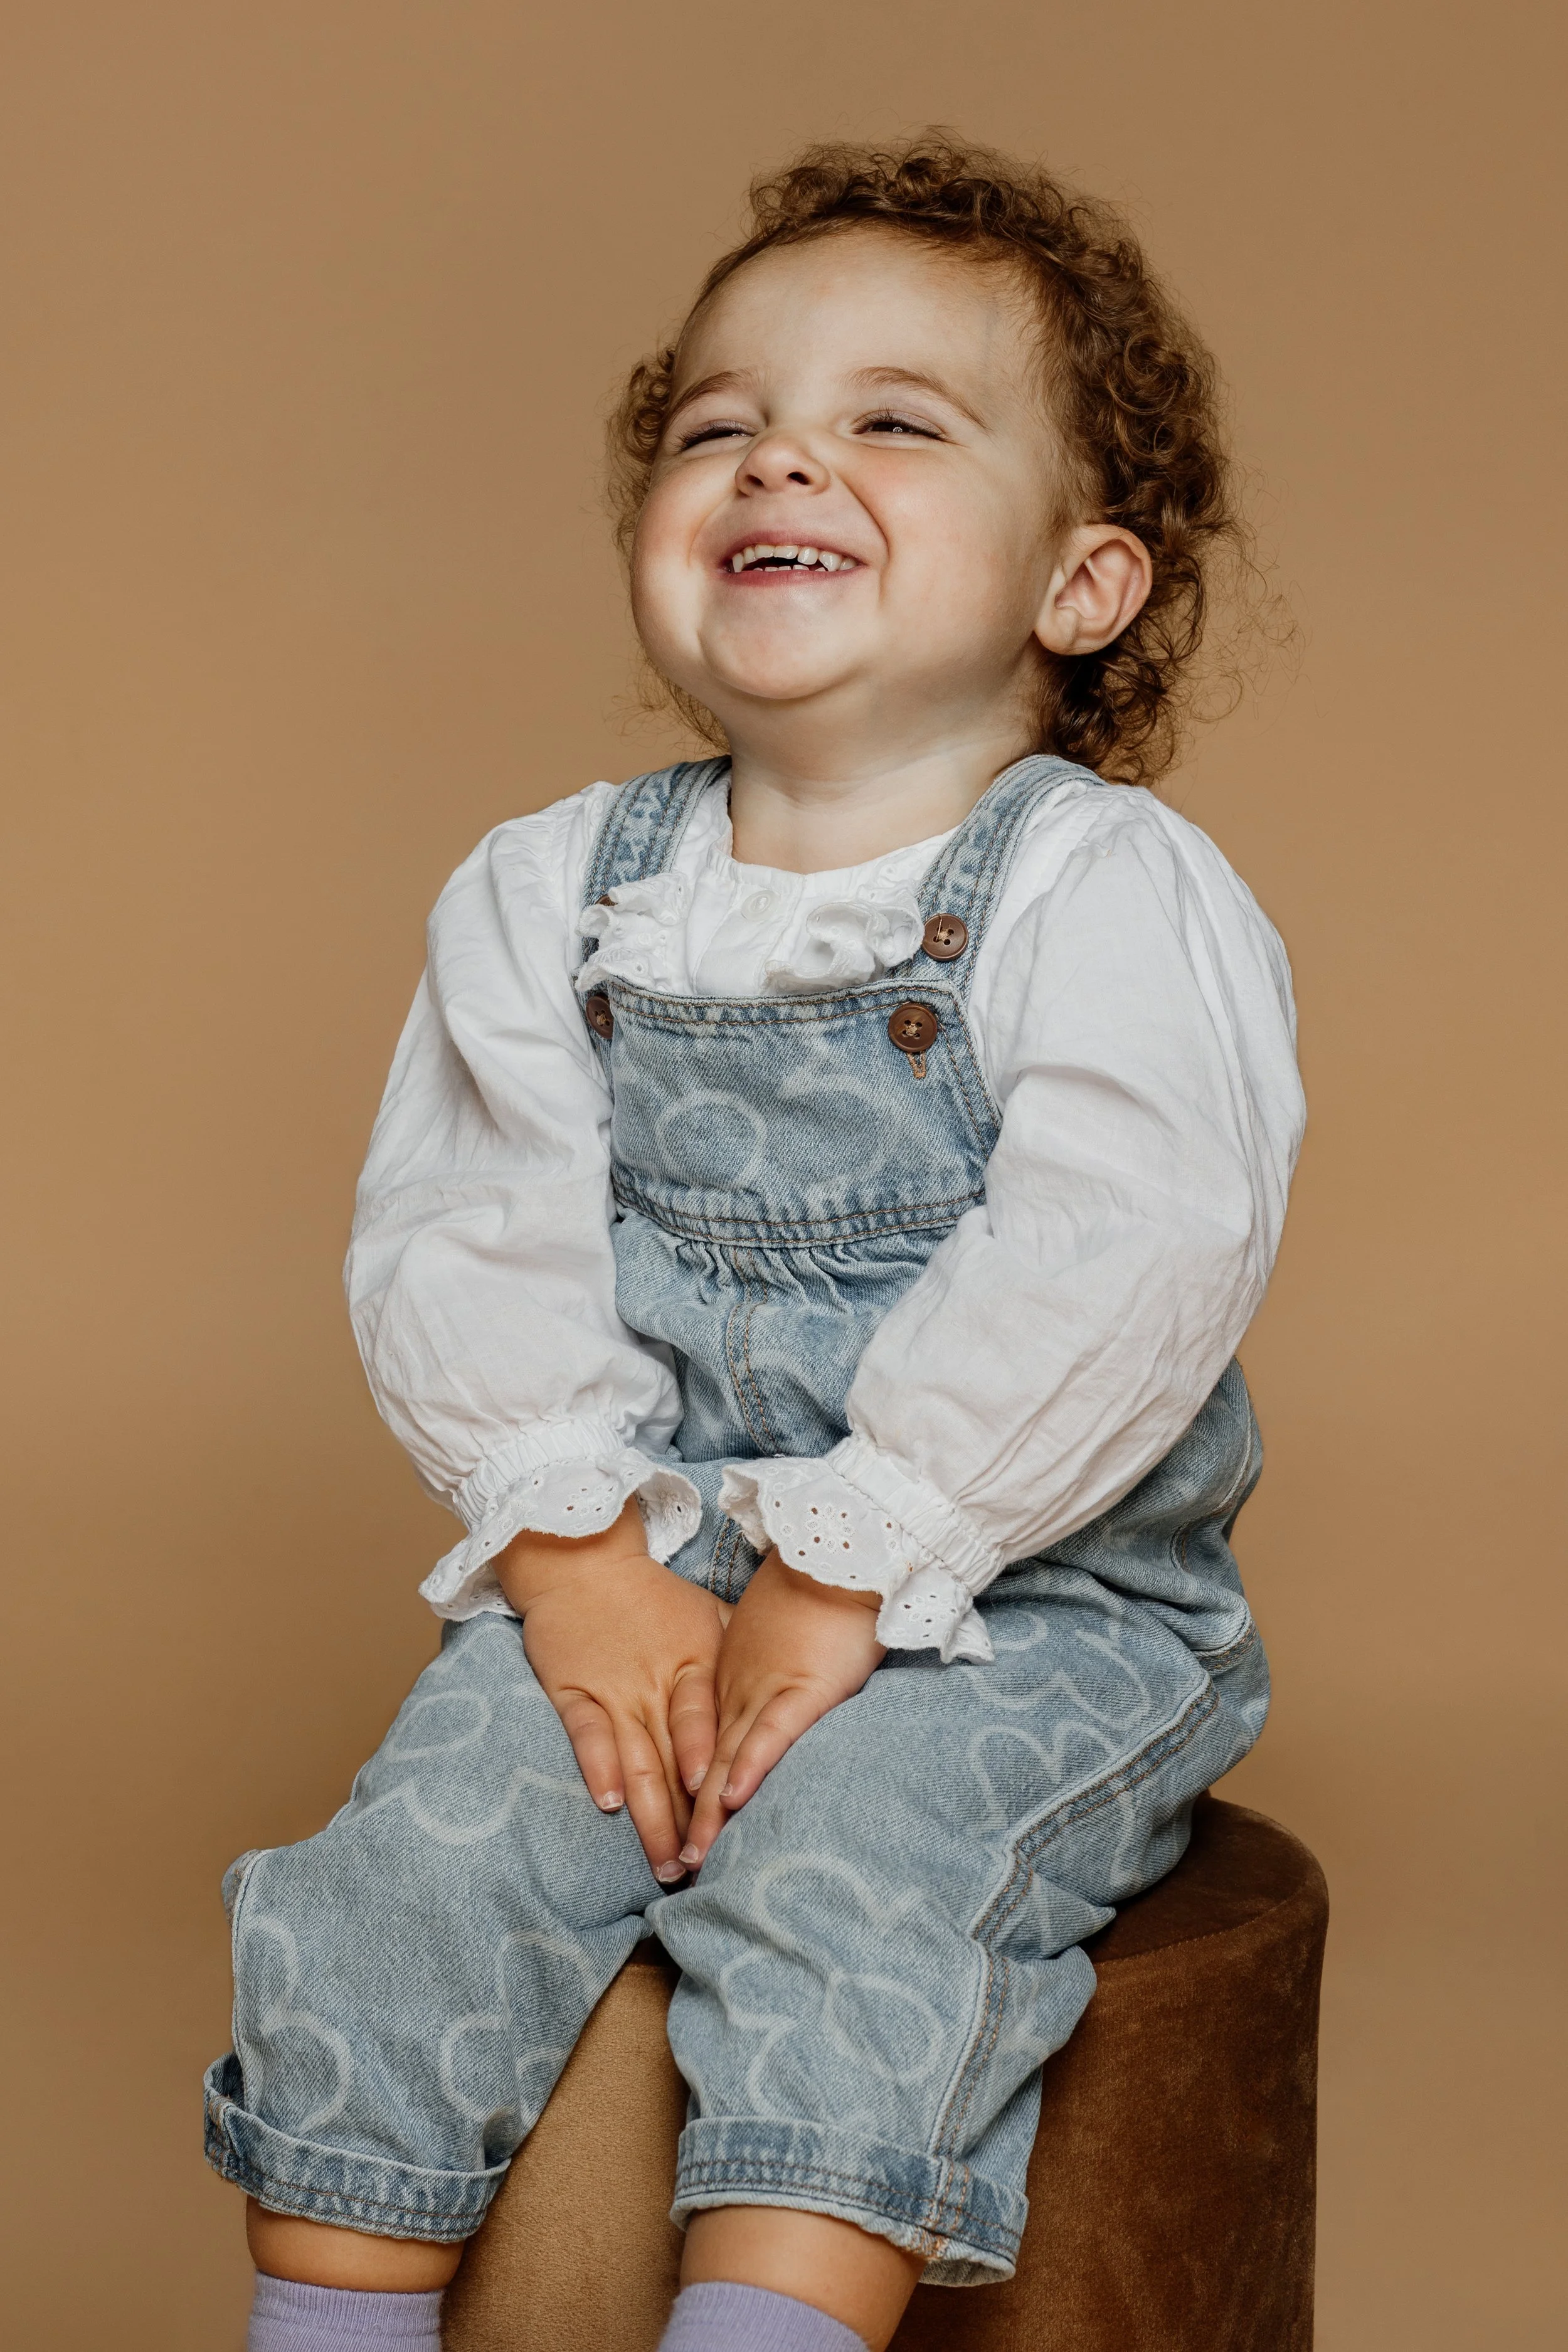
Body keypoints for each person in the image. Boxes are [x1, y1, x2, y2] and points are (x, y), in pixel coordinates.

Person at [206, 137, 1305, 2352]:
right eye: (720, 422)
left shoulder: (1100, 888)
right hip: (655, 1547)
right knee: (398, 1877)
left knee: (852, 1882)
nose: (782, 449)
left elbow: (1126, 1246)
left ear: (1080, 584)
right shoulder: (552, 889)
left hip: (1030, 1596)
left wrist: (859, 1547)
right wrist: (579, 1551)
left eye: (895, 420)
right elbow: (465, 1228)